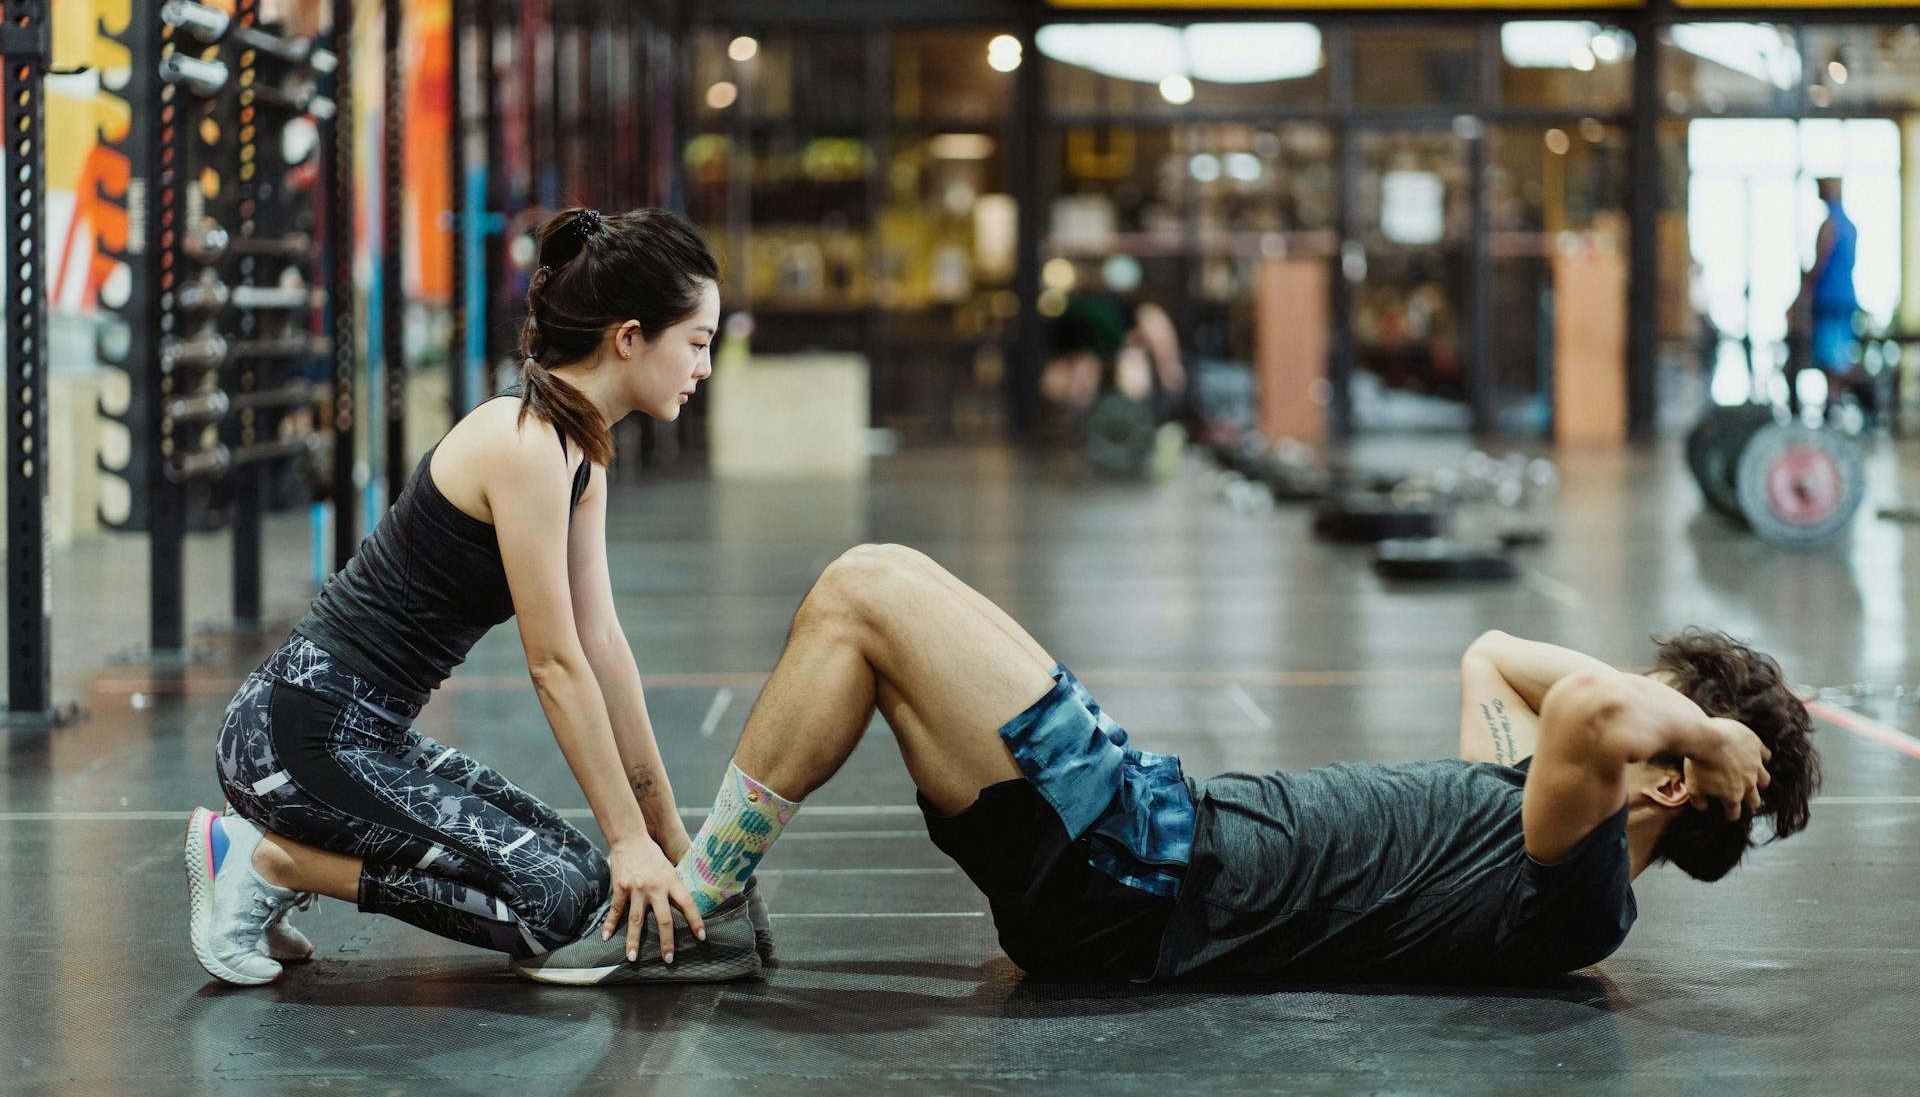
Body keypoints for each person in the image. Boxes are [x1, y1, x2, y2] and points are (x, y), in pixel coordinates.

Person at [616, 544, 1817, 987]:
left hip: (1143, 865)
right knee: (867, 623)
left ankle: (701, 899)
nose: (1642, 706)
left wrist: (1699, 736)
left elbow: (1592, 711)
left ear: (1659, 779)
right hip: (1131, 855)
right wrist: (1691, 732)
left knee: (869, 584)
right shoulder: (1518, 812)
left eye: (1669, 727)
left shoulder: (1586, 879)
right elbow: (1496, 654)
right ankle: (705, 896)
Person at [186, 207, 766, 988]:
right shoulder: (524, 444)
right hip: (293, 740)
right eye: (697, 344)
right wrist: (628, 838)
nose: (704, 367)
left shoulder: (580, 451)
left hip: (369, 738)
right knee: (555, 905)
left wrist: (664, 837)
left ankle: (282, 860)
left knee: (591, 885)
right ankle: (266, 861)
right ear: (629, 337)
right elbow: (556, 665)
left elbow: (603, 649)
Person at [1792, 177, 1861, 415]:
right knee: (1838, 357)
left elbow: (1820, 264)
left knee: (1831, 359)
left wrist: (1805, 291)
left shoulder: (1830, 225)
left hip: (1829, 303)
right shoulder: (1850, 225)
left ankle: (1833, 406)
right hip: (1844, 301)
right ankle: (1836, 403)